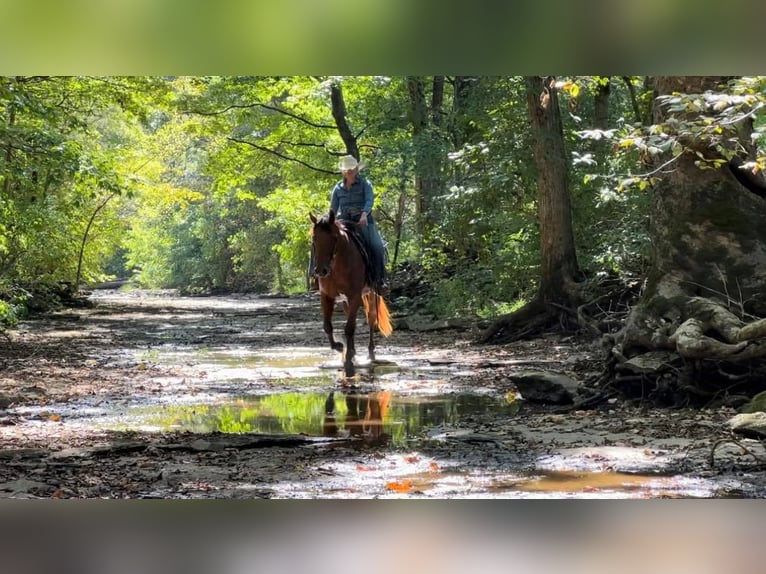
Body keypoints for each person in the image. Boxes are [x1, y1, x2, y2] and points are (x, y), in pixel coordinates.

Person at [310, 154, 388, 294]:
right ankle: (315, 276)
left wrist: (364, 214)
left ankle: (379, 281)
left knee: (377, 246)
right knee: (318, 241)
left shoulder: (365, 184)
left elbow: (369, 201)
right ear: (343, 171)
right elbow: (333, 208)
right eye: (346, 169)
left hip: (363, 222)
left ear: (356, 169)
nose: (349, 171)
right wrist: (326, 221)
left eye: (351, 169)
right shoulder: (338, 188)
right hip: (344, 220)